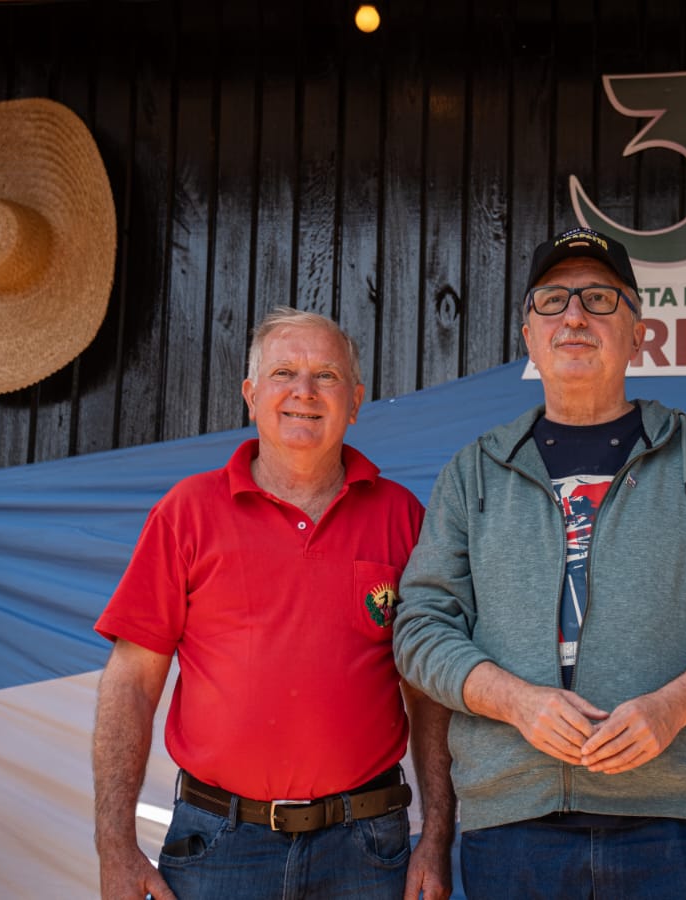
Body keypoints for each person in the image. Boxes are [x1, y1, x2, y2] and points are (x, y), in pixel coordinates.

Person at [393, 227, 686, 900]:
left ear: (639, 334)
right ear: (529, 336)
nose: (575, 316)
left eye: (600, 298)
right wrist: (516, 702)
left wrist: (672, 707)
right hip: (515, 824)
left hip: (681, 825)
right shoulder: (475, 472)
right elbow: (420, 628)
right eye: (553, 300)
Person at [92, 308, 455, 900]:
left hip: (366, 849)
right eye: (283, 373)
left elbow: (429, 695)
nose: (304, 391)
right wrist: (114, 845)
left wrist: (437, 836)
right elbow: (130, 683)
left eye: (326, 376)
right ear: (251, 395)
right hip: (219, 845)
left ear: (355, 401)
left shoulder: (402, 517)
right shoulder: (187, 513)